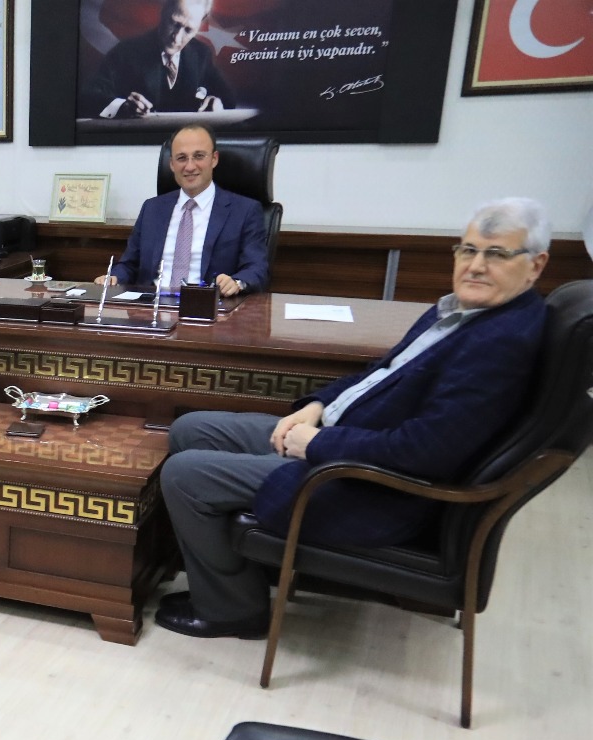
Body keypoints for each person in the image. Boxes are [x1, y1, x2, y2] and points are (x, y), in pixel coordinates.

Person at [153, 198, 551, 638]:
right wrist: (316, 407)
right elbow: (379, 374)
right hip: (343, 437)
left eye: (496, 254)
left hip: (365, 484)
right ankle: (236, 567)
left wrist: (317, 444)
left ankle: (233, 610)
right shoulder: (461, 312)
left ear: (535, 266)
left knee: (184, 474)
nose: (475, 266)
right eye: (468, 250)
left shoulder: (500, 343)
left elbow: (424, 452)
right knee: (191, 428)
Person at [95, 124, 268, 298]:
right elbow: (130, 264)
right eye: (181, 158)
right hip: (151, 305)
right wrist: (114, 277)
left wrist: (236, 282)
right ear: (172, 164)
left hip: (207, 306)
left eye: (199, 156)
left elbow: (256, 269)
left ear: (214, 159)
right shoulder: (152, 208)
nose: (190, 166)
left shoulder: (245, 211)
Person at [81, 0, 232, 119]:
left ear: (201, 21)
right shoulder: (125, 53)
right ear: (164, 10)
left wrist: (217, 102)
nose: (176, 38)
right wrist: (122, 106)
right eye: (175, 23)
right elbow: (88, 96)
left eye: (188, 30)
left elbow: (228, 97)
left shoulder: (201, 54)